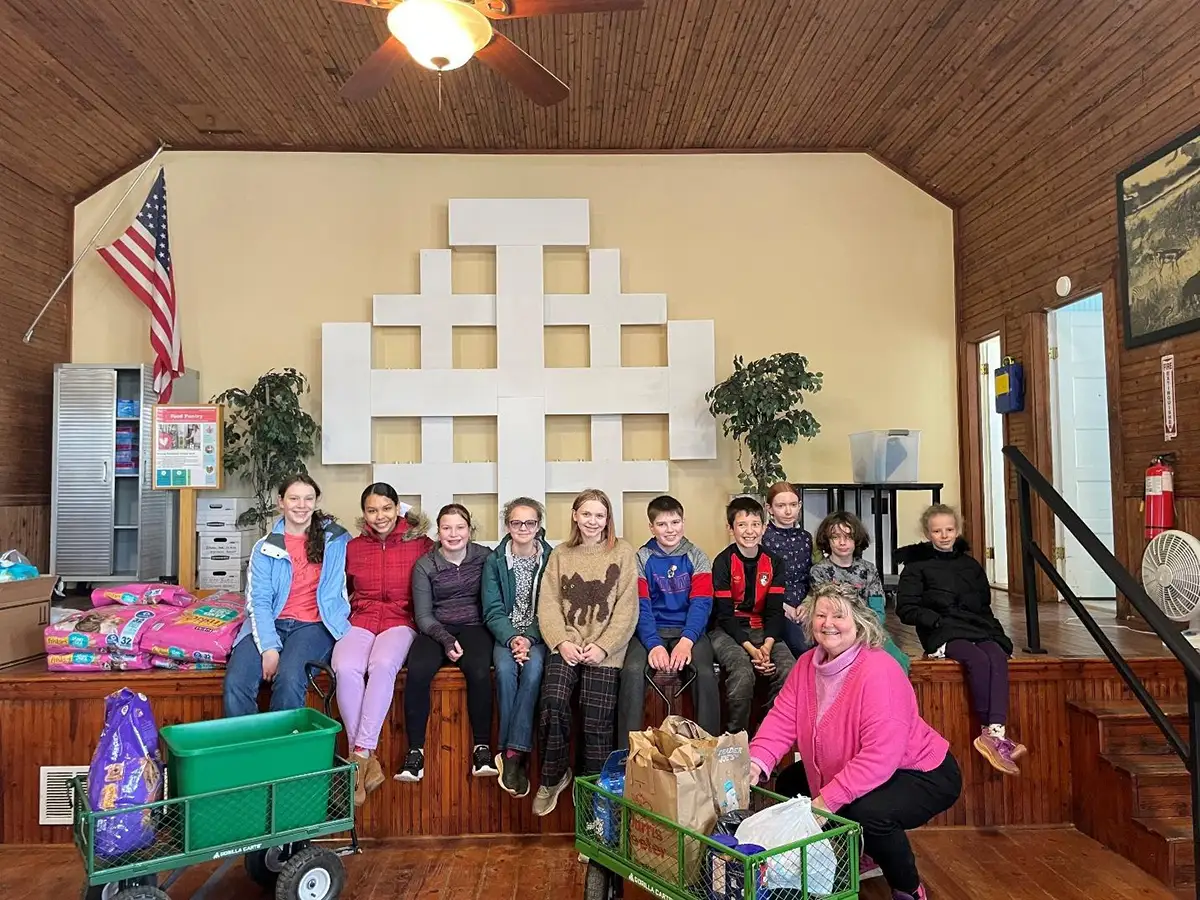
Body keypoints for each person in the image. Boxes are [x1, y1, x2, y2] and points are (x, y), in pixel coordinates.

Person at [748, 582, 962, 900]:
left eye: (839, 615)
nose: (828, 623)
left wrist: (826, 802)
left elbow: (880, 757)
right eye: (821, 615)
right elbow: (781, 719)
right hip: (863, 767)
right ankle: (862, 853)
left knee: (869, 812)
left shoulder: (880, 671)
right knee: (793, 782)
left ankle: (907, 888)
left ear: (859, 622)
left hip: (923, 772)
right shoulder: (807, 665)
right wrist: (756, 762)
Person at [895, 503, 1025, 776]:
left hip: (975, 626)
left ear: (958, 530)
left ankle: (997, 732)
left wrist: (999, 636)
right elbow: (906, 609)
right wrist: (935, 620)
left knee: (996, 655)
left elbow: (983, 606)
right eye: (937, 531)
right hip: (941, 630)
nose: (944, 535)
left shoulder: (970, 565)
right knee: (975, 658)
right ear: (927, 533)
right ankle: (986, 731)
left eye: (949, 529)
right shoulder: (916, 566)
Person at [533, 489, 638, 817]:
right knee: (552, 700)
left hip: (605, 651)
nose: (593, 521)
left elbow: (627, 608)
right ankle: (554, 775)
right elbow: (548, 603)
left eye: (600, 515)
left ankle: (592, 796)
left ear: (608, 520)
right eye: (587, 514)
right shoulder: (561, 554)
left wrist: (604, 646)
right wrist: (561, 641)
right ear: (575, 515)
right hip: (565, 645)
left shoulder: (622, 552)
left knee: (596, 723)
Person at [331, 483, 433, 805]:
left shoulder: (420, 544)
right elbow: (337, 590)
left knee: (383, 665)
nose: (380, 516)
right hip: (361, 619)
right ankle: (364, 759)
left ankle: (358, 755)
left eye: (386, 509)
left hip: (401, 621)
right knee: (345, 666)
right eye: (372, 510)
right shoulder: (353, 547)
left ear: (397, 508)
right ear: (364, 513)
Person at [223, 474, 351, 718]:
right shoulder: (264, 548)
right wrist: (269, 648)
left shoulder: (336, 540)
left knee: (289, 680)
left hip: (314, 625)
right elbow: (258, 601)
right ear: (281, 502)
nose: (301, 505)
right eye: (294, 498)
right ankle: (247, 752)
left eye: (308, 498)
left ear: (316, 501)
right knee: (235, 683)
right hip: (269, 622)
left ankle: (282, 754)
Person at [396, 504, 496, 783]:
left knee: (478, 671)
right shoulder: (425, 565)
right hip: (435, 628)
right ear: (438, 532)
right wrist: (445, 639)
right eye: (446, 528)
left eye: (460, 527)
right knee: (417, 671)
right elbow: (423, 615)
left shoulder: (485, 558)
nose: (454, 534)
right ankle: (414, 753)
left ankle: (482, 748)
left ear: (469, 530)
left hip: (475, 626)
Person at [617, 495, 719, 745]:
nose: (670, 529)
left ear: (683, 522)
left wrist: (687, 640)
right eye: (662, 524)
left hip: (689, 631)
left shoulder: (698, 556)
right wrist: (653, 643)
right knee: (631, 671)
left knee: (705, 673)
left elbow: (701, 603)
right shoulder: (641, 558)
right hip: (649, 630)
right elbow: (641, 605)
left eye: (675, 522)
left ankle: (709, 751)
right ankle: (626, 754)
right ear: (651, 527)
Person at [483, 496, 553, 799]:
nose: (523, 527)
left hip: (540, 634)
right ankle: (516, 752)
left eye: (530, 522)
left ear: (538, 526)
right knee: (505, 671)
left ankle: (511, 753)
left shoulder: (552, 558)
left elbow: (553, 607)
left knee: (535, 669)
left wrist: (530, 638)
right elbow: (492, 609)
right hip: (505, 635)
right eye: (516, 522)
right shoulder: (495, 560)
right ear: (507, 525)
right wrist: (513, 638)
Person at [709, 495, 796, 734]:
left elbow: (774, 610)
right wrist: (752, 651)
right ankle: (736, 737)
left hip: (764, 631)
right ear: (730, 529)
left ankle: (766, 734)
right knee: (742, 670)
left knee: (789, 670)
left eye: (755, 524)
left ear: (764, 527)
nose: (750, 531)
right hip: (727, 630)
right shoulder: (723, 562)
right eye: (742, 525)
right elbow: (725, 616)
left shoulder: (774, 562)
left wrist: (767, 646)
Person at [810, 511, 910, 674]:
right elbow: (826, 609)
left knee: (897, 660)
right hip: (835, 630)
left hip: (869, 629)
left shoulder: (869, 569)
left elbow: (878, 609)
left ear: (857, 540)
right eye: (836, 537)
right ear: (827, 540)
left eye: (848, 537)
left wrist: (867, 630)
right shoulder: (819, 571)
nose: (842, 542)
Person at [761, 482, 814, 658]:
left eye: (793, 505)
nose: (788, 511)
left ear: (799, 506)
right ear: (769, 508)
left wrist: (807, 603)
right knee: (802, 645)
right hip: (774, 605)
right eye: (781, 506)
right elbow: (759, 581)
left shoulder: (806, 538)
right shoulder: (762, 537)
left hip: (805, 605)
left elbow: (812, 575)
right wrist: (783, 605)